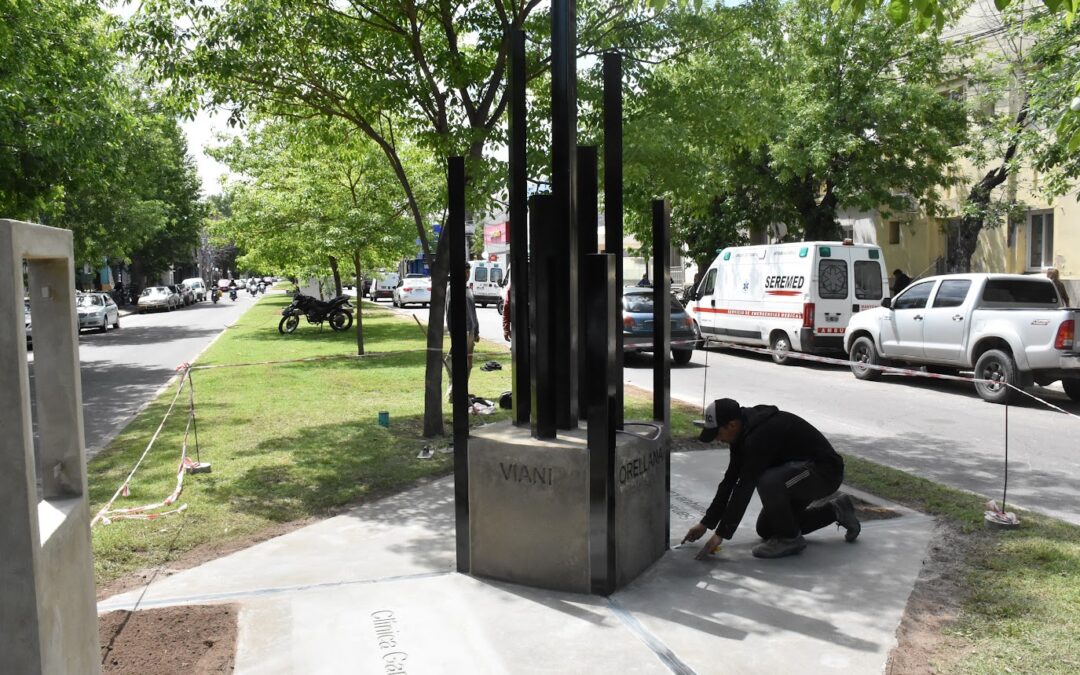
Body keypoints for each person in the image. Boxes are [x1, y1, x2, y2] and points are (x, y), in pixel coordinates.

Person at [681, 398, 860, 559]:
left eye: (717, 434)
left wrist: (720, 535)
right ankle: (836, 510)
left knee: (768, 481)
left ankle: (790, 539)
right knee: (767, 528)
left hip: (824, 472)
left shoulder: (759, 435)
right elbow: (730, 481)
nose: (717, 440)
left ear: (732, 425)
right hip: (798, 475)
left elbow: (745, 486)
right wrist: (705, 523)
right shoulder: (741, 433)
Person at [446, 265, 480, 401]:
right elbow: (449, 313)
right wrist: (454, 331)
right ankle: (453, 393)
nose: (467, 274)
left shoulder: (468, 290)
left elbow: (473, 312)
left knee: (468, 364)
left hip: (470, 331)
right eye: (464, 272)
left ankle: (461, 391)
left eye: (468, 272)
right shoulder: (452, 289)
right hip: (461, 331)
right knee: (455, 362)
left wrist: (476, 330)